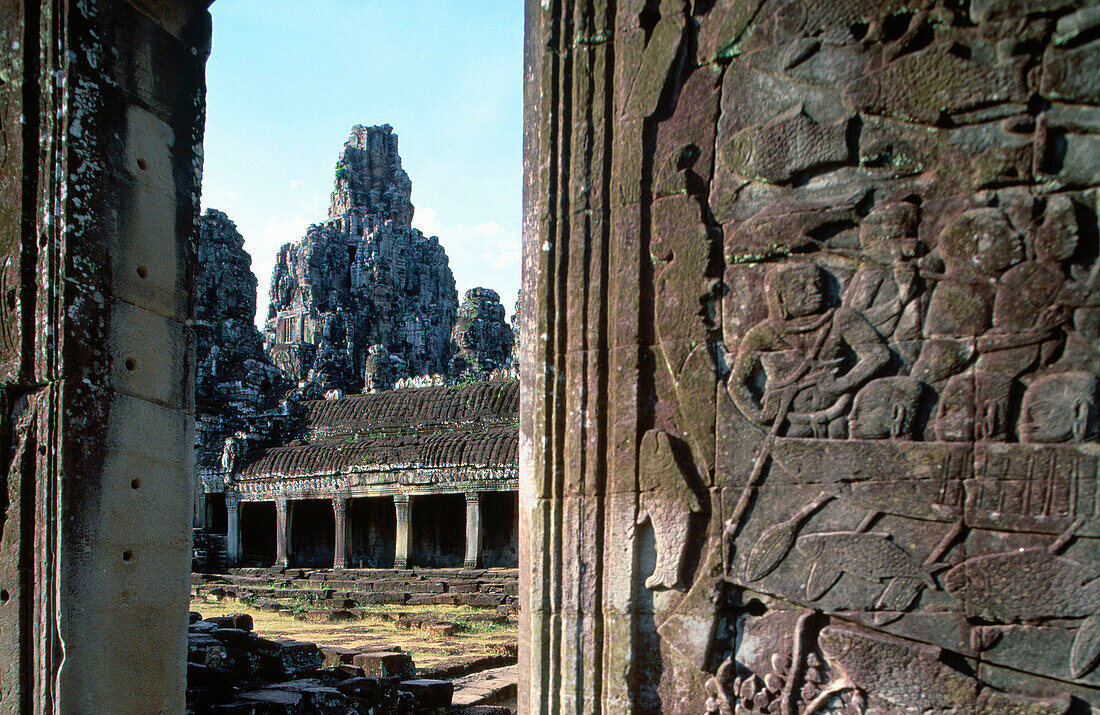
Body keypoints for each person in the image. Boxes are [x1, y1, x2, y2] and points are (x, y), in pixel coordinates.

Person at [728, 262, 889, 438]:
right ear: (781, 297)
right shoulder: (763, 334)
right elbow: (737, 383)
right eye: (801, 286)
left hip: (839, 416)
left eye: (818, 283)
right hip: (787, 423)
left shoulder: (840, 319)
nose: (814, 290)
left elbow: (878, 354)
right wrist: (759, 415)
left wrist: (843, 383)